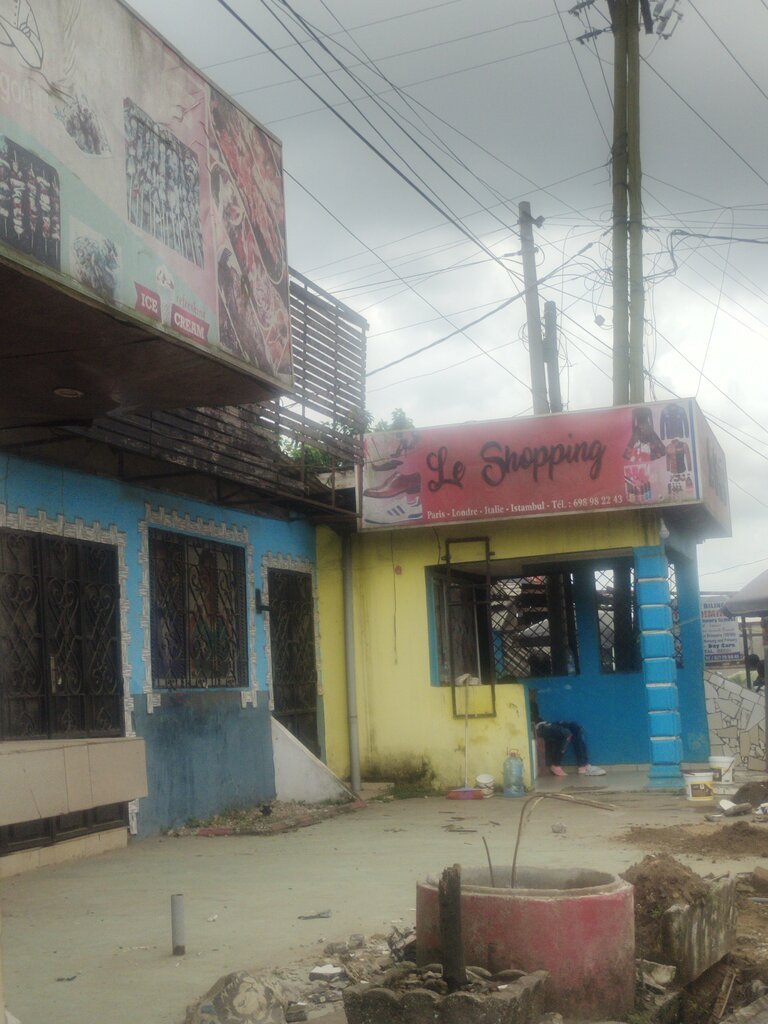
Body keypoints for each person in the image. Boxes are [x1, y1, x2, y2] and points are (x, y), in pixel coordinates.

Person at [530, 691, 606, 777]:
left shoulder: (532, 704)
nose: (534, 695)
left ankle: (583, 765)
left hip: (544, 723)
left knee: (575, 727)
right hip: (537, 727)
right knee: (566, 733)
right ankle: (555, 764)